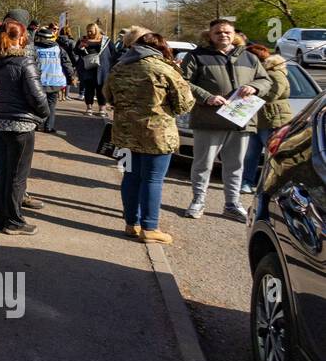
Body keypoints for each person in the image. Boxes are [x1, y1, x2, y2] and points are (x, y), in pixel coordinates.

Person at [104, 32, 195, 245]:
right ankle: (150, 227)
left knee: (130, 176)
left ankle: (131, 224)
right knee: (153, 180)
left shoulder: (119, 68)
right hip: (157, 134)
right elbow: (184, 104)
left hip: (125, 133)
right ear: (161, 48)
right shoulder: (164, 69)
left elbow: (107, 96)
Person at [180, 18, 272, 221]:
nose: (223, 35)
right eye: (218, 32)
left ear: (234, 34)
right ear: (210, 35)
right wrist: (206, 97)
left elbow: (266, 80)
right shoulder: (197, 56)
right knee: (203, 164)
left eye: (227, 32)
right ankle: (198, 201)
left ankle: (232, 203)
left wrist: (255, 87)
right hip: (208, 121)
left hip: (241, 121)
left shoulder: (249, 57)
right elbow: (182, 83)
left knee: (236, 165)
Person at [0, 22, 49, 234]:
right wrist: (44, 115)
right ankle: (14, 221)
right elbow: (37, 96)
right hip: (21, 125)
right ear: (22, 38)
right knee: (17, 176)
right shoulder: (24, 62)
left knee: (1, 172)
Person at [240, 43, 292, 194]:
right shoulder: (255, 74)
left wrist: (251, 90)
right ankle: (247, 182)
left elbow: (271, 95)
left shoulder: (276, 74)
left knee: (272, 155)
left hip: (273, 120)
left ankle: (272, 186)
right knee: (251, 155)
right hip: (255, 120)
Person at [33, 26, 74, 132]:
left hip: (38, 82)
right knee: (51, 105)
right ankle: (49, 127)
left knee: (38, 104)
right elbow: (67, 64)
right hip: (55, 82)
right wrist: (71, 78)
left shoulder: (34, 49)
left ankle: (37, 125)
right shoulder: (59, 49)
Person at [74, 24, 107, 115]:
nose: (89, 33)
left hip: (101, 69)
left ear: (96, 30)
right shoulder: (83, 39)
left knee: (101, 89)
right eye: (87, 31)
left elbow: (112, 52)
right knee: (89, 88)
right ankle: (89, 108)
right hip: (88, 68)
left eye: (91, 31)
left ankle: (102, 109)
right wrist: (80, 47)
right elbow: (76, 51)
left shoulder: (105, 40)